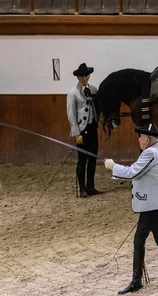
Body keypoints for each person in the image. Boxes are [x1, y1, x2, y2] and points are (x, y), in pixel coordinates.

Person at [104, 123, 158, 294]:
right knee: (143, 239)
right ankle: (139, 279)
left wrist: (113, 166)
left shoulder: (151, 153)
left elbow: (133, 172)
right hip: (152, 204)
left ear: (147, 139)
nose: (138, 139)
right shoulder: (157, 150)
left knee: (157, 239)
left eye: (140, 136)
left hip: (153, 205)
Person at [67, 63, 100, 198]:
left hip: (92, 127)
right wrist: (76, 133)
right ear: (78, 77)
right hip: (82, 129)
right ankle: (82, 188)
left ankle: (90, 186)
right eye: (82, 76)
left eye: (87, 75)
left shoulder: (93, 89)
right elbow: (71, 114)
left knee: (93, 157)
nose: (85, 78)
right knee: (82, 160)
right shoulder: (72, 93)